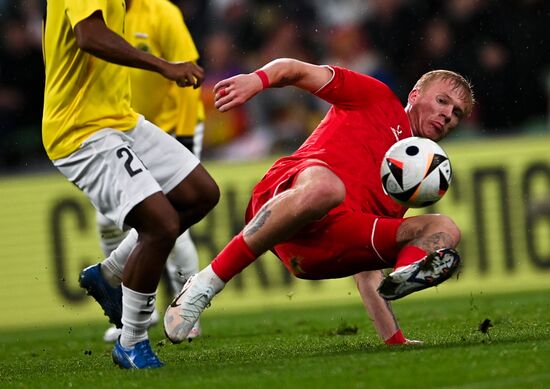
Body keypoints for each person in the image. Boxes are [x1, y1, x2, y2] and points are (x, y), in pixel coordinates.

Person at [163, 58, 474, 345]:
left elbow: (367, 271)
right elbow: (294, 69)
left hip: (319, 251)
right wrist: (256, 81)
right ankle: (206, 283)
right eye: (442, 100)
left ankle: (405, 276)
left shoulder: (410, 180)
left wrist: (395, 340)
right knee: (328, 189)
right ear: (416, 94)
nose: (447, 114)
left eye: (456, 112)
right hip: (287, 197)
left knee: (444, 228)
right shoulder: (376, 97)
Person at [42, 0, 220, 369]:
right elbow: (89, 36)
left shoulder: (157, 11)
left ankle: (110, 274)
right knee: (161, 224)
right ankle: (132, 341)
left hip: (120, 119)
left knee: (201, 194)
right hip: (80, 130)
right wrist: (163, 66)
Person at [97, 0, 205, 344]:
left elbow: (190, 73)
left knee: (172, 221)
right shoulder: (99, 13)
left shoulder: (162, 13)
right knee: (107, 222)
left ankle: (187, 310)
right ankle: (132, 311)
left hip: (172, 129)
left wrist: (185, 137)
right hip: (121, 129)